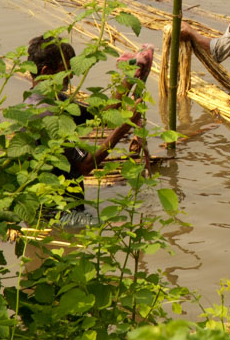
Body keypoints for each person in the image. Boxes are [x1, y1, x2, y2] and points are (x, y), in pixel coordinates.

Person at [24, 36, 152, 219]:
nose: (71, 76)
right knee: (114, 228)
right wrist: (123, 128)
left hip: (66, 208)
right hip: (56, 216)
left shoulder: (47, 99)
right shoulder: (48, 115)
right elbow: (85, 166)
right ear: (46, 71)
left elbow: (100, 116)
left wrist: (129, 79)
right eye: (65, 71)